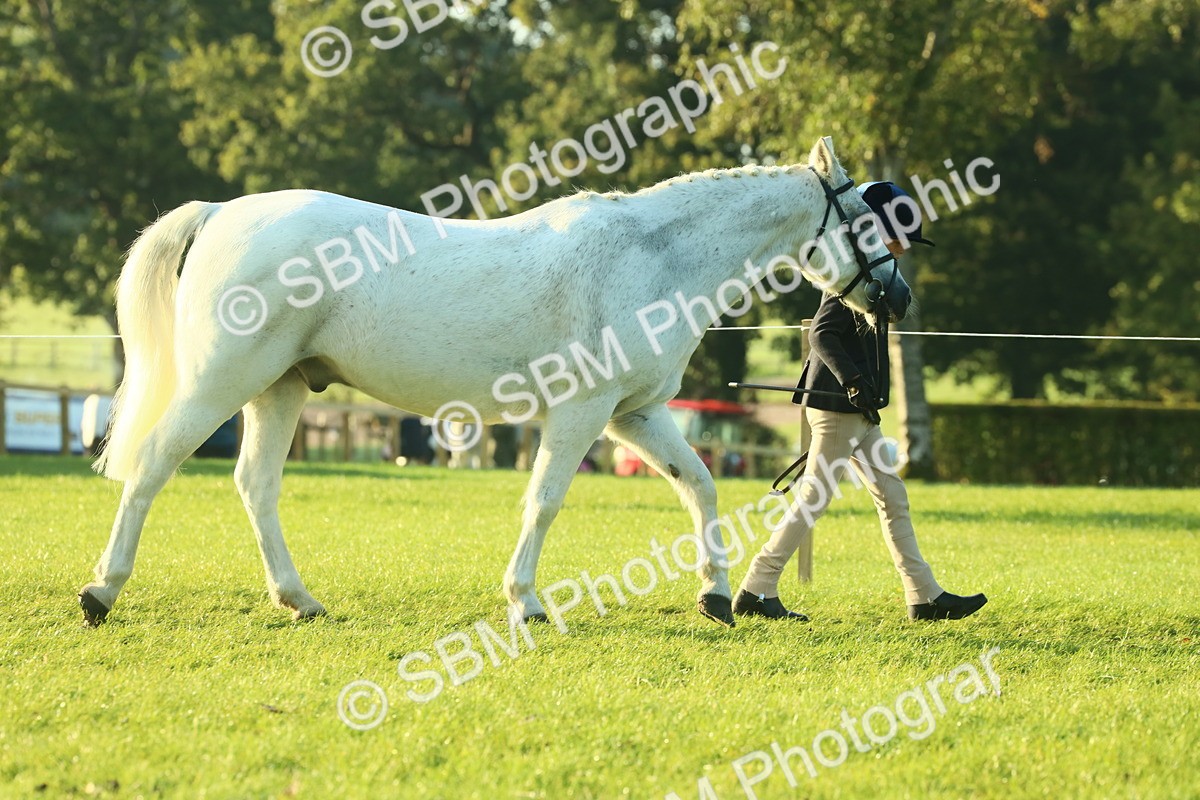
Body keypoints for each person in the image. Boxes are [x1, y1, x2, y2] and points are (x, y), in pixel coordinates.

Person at [733, 181, 988, 622]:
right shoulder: (850, 277)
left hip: (857, 408)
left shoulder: (875, 272)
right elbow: (821, 334)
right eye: (899, 238)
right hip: (837, 404)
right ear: (875, 232)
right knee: (814, 497)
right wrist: (852, 380)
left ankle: (924, 596)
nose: (905, 248)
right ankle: (756, 588)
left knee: (892, 496)